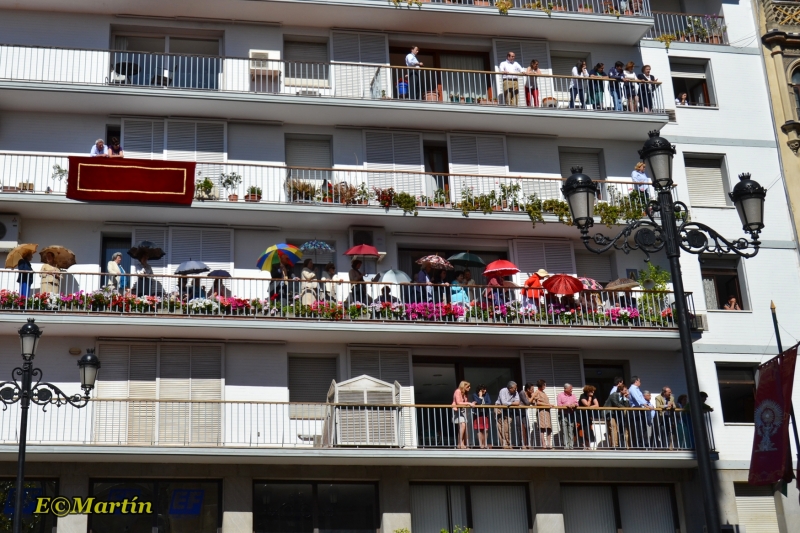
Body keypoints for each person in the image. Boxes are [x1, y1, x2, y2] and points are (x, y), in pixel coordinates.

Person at [627, 376, 653, 448]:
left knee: (643, 427)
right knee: (638, 428)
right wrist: (647, 406)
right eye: (639, 381)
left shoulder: (637, 389)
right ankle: (639, 445)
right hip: (636, 409)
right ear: (636, 381)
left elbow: (642, 399)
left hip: (641, 409)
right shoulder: (632, 388)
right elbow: (638, 399)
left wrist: (647, 405)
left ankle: (645, 444)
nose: (640, 382)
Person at [495, 381, 520, 449]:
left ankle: (508, 443)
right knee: (500, 427)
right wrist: (512, 403)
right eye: (514, 388)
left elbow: (518, 402)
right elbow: (503, 402)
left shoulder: (516, 392)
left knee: (507, 427)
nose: (516, 389)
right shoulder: (503, 391)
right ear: (510, 388)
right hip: (499, 408)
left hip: (508, 410)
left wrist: (509, 403)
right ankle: (504, 443)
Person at [452, 381, 475, 449]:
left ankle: (461, 443)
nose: (469, 388)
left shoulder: (464, 393)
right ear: (463, 386)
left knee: (463, 427)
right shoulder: (458, 391)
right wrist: (469, 403)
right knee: (462, 425)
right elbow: (458, 402)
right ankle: (460, 443)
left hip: (462, 411)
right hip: (457, 411)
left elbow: (464, 402)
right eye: (468, 386)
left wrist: (470, 403)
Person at [531, 379, 553, 449]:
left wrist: (548, 405)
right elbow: (537, 403)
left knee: (549, 427)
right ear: (541, 385)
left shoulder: (543, 392)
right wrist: (547, 404)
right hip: (541, 412)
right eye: (544, 385)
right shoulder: (537, 392)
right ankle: (543, 443)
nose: (545, 386)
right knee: (542, 428)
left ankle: (549, 443)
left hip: (547, 411)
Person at [557, 383, 578, 449]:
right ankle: (566, 445)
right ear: (565, 389)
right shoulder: (560, 395)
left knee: (571, 429)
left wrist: (574, 405)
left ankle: (571, 446)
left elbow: (577, 403)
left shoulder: (573, 395)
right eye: (570, 389)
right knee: (564, 430)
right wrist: (566, 406)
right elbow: (559, 405)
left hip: (571, 414)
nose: (572, 390)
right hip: (563, 414)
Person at [472, 384, 492, 449]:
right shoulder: (475, 395)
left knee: (486, 429)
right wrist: (480, 397)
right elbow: (477, 402)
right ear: (480, 390)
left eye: (485, 389)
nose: (485, 391)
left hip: (485, 414)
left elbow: (489, 403)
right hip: (477, 414)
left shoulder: (487, 394)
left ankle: (485, 443)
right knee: (479, 429)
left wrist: (482, 405)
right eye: (484, 389)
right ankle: (481, 444)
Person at [517, 383, 536, 449]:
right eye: (532, 389)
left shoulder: (529, 394)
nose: (533, 391)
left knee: (527, 427)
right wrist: (533, 396)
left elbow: (533, 403)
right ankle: (522, 444)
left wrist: (533, 398)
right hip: (518, 412)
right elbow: (527, 403)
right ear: (527, 389)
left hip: (524, 412)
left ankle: (528, 443)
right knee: (521, 428)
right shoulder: (522, 393)